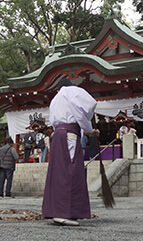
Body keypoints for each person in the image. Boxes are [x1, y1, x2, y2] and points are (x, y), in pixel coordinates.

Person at [42, 78, 98, 226]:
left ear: (57, 88)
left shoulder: (55, 99)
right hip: (69, 136)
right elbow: (90, 104)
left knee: (59, 173)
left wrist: (85, 129)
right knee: (70, 171)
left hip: (58, 135)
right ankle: (65, 213)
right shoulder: (72, 91)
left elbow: (55, 121)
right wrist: (89, 127)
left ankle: (55, 210)